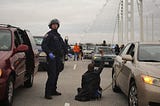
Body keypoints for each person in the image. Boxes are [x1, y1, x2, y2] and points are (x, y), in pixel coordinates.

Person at [41, 18, 67, 99]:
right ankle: (47, 93)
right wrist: (49, 53)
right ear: (51, 25)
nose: (55, 25)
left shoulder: (58, 35)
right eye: (53, 24)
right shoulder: (48, 35)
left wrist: (67, 51)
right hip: (52, 58)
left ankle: (53, 91)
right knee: (52, 76)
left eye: (56, 24)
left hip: (58, 58)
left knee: (56, 75)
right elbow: (44, 45)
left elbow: (63, 45)